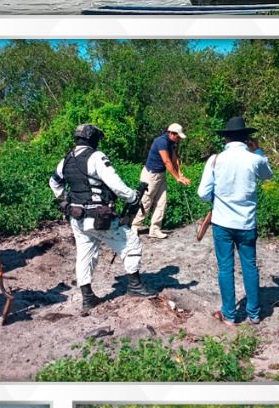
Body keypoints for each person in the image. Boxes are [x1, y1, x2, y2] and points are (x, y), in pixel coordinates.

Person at [49, 123, 152, 316]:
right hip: (99, 217)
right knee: (131, 244)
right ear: (93, 139)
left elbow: (53, 182)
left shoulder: (66, 159)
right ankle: (135, 286)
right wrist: (132, 197)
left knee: (85, 255)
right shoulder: (96, 157)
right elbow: (116, 185)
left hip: (77, 218)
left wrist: (66, 199)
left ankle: (88, 298)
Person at [198, 116, 273, 325]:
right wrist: (258, 150)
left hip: (222, 222)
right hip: (247, 222)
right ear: (247, 138)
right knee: (250, 266)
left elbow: (202, 193)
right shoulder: (255, 159)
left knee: (225, 268)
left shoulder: (215, 159)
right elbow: (267, 176)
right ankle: (254, 314)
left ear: (226, 138)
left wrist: (218, 198)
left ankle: (230, 315)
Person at [131, 123, 190, 240]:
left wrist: (180, 174)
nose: (178, 139)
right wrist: (177, 178)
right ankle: (135, 226)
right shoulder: (161, 142)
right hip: (151, 175)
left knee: (162, 202)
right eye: (178, 136)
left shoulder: (171, 143)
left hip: (161, 175)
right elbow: (167, 161)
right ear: (171, 133)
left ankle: (155, 229)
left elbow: (174, 159)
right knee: (146, 201)